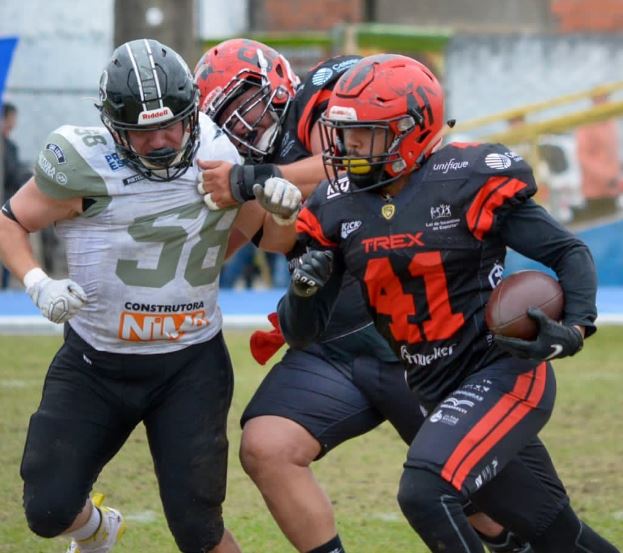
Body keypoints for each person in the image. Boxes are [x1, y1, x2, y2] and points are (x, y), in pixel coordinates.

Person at [195, 40, 533, 553]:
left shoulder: (327, 101)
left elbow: (355, 163)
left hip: (414, 334)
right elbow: (278, 239)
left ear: (279, 81)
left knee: (484, 500)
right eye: (227, 118)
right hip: (333, 337)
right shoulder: (239, 161)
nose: (242, 125)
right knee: (268, 447)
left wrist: (261, 178)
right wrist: (241, 196)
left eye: (246, 104)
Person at [277, 53, 620, 552]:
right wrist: (304, 290)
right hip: (435, 386)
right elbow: (301, 332)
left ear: (413, 130)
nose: (349, 147)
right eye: (344, 133)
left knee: (426, 490)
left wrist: (576, 326)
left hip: (501, 371)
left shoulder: (465, 176)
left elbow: (567, 251)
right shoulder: (335, 204)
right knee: (557, 538)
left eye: (366, 134)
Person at [0, 39, 301, 553]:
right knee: (47, 510)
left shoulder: (219, 151)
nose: (161, 142)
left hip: (189, 364)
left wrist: (282, 211)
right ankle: (97, 531)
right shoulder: (83, 163)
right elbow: (11, 221)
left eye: (171, 125)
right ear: (114, 127)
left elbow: (272, 242)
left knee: (198, 528)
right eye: (142, 133)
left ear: (193, 113)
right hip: (96, 362)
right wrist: (37, 282)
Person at [1, 102, 31, 288]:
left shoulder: (9, 146)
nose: (14, 123)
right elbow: (13, 173)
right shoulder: (5, 148)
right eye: (12, 119)